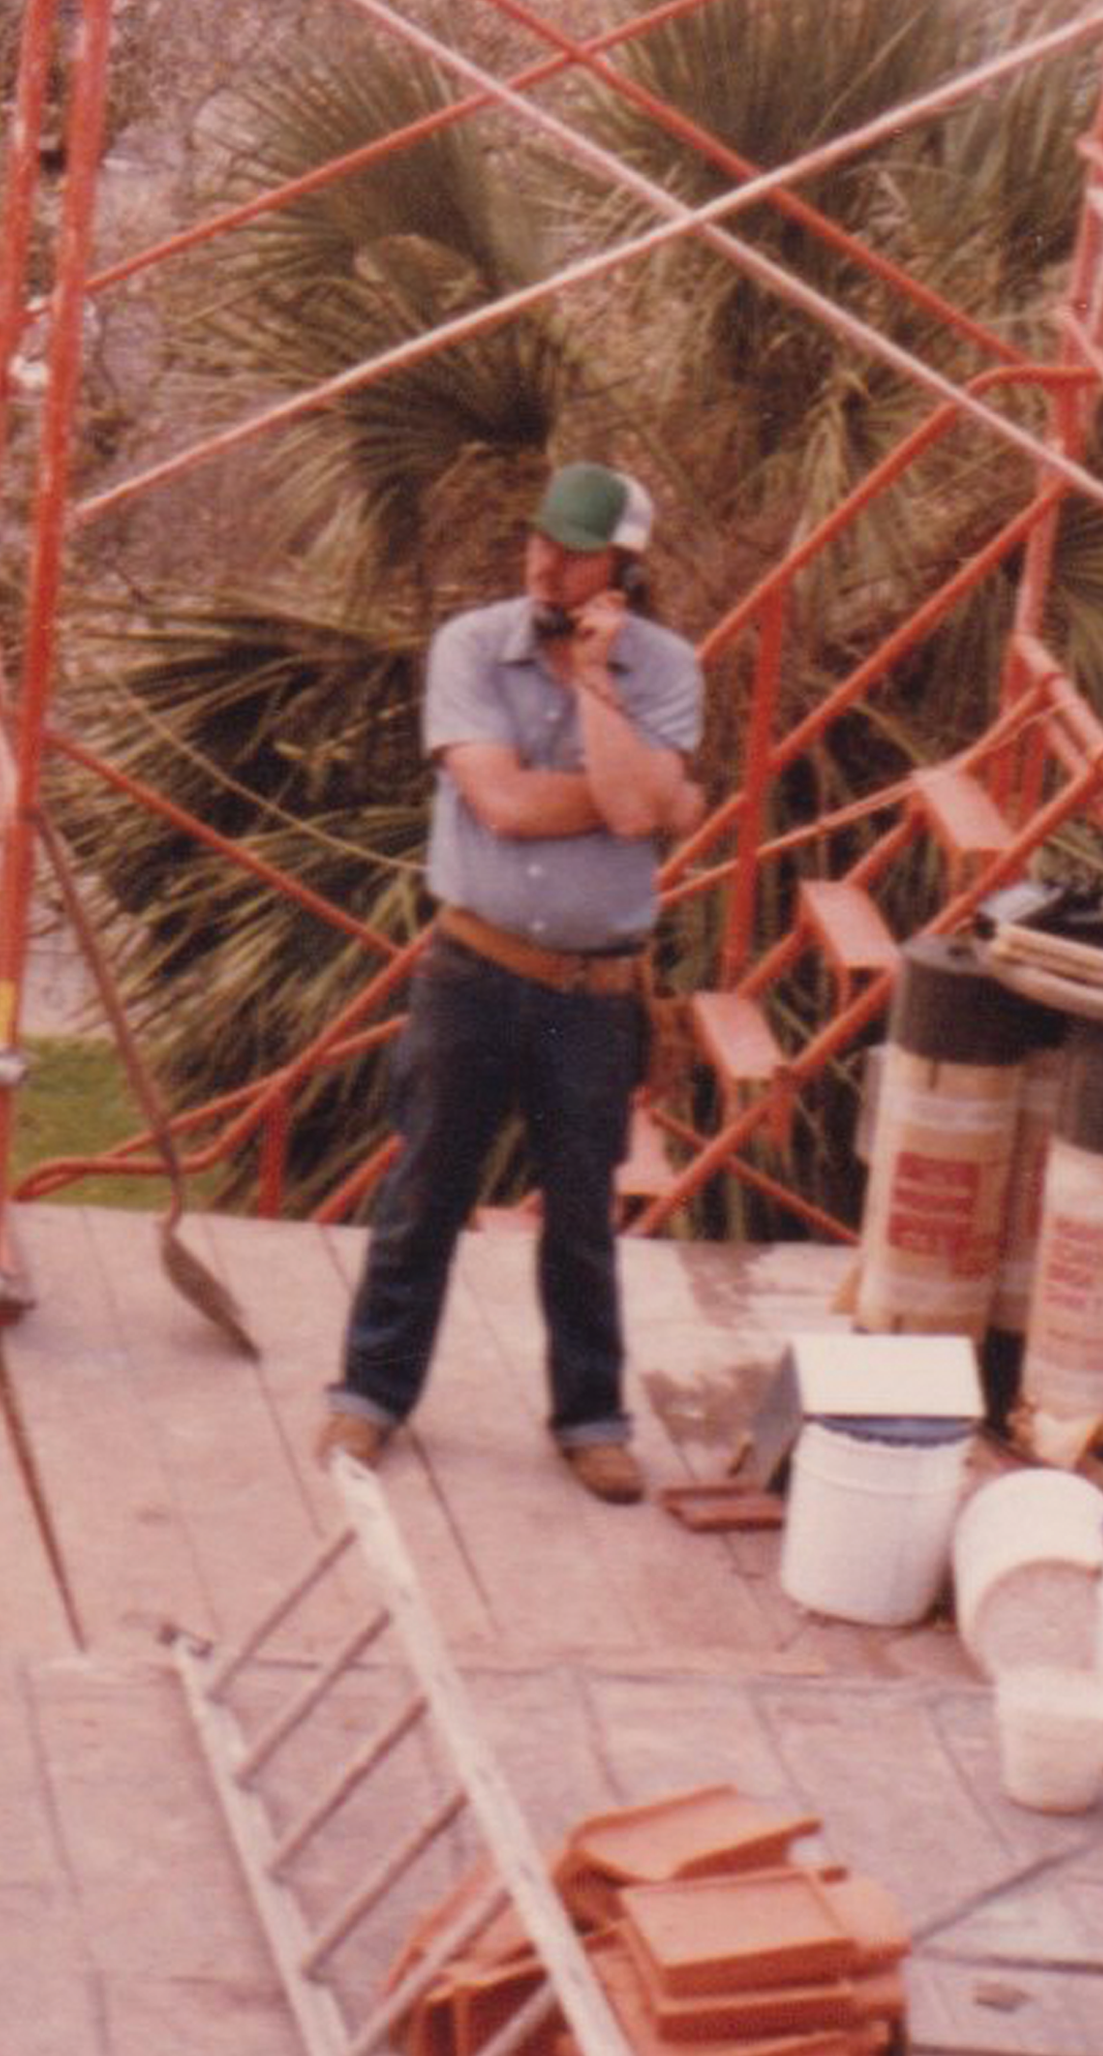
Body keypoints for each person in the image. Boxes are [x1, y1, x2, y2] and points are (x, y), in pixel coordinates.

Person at [317, 462, 708, 1505]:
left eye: (574, 552)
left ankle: (591, 1418)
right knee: (424, 1191)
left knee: (582, 1214)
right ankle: (370, 1394)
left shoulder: (667, 668)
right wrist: (641, 795)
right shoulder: (470, 646)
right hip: (474, 969)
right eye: (540, 540)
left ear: (622, 569)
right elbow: (506, 805)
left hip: (595, 992)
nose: (546, 564)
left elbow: (637, 812)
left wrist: (597, 687)